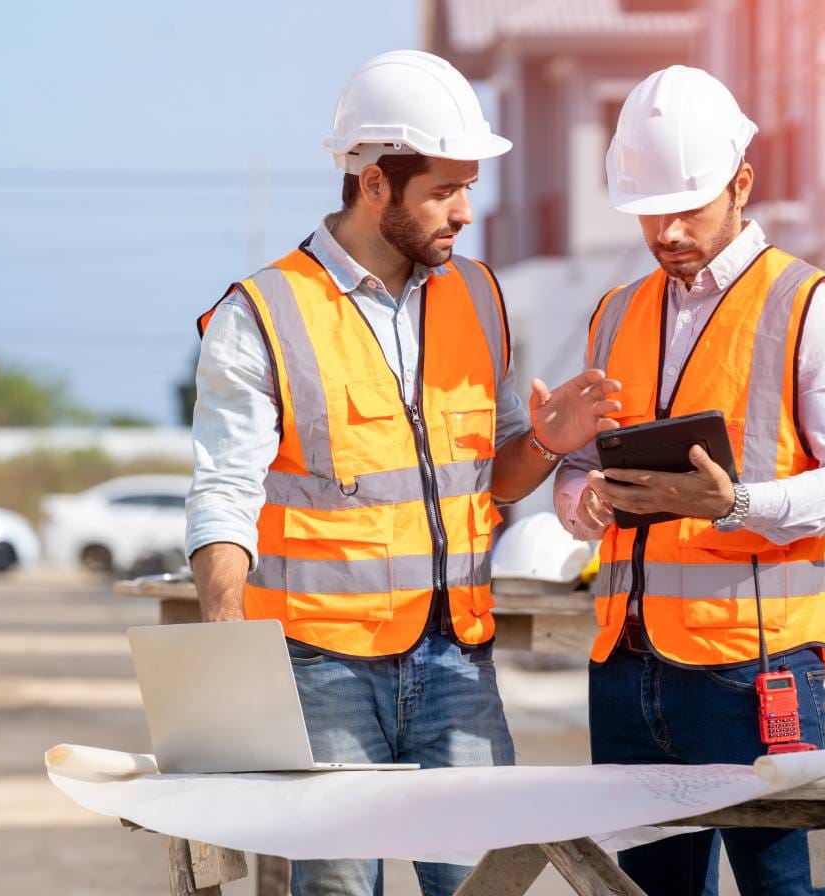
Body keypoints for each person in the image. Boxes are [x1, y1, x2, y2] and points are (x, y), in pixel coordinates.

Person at [188, 49, 619, 896]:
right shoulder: (261, 316)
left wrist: (544, 439)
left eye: (469, 186)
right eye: (443, 190)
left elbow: (488, 482)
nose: (465, 210)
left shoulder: (481, 295)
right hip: (321, 668)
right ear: (374, 184)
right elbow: (224, 497)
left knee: (484, 884)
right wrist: (229, 673)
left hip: (459, 655)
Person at [554, 65, 825, 896]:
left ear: (743, 184)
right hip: (627, 672)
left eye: (688, 207)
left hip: (758, 676)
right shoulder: (615, 312)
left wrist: (736, 504)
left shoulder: (814, 306)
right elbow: (576, 467)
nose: (666, 230)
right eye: (649, 212)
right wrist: (579, 497)